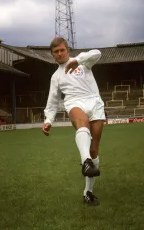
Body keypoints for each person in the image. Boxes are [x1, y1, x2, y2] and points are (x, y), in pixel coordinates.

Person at [42, 37, 106, 206]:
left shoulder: (82, 61)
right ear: (53, 55)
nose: (59, 54)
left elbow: (97, 53)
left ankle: (88, 192)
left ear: (68, 50)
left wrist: (77, 60)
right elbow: (53, 100)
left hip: (94, 102)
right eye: (56, 52)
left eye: (62, 50)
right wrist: (48, 120)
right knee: (82, 122)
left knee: (94, 149)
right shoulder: (55, 77)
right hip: (74, 102)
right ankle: (85, 162)